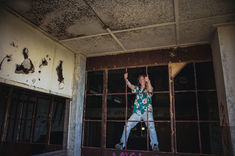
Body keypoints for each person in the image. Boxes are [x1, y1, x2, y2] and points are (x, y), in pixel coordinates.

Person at [115, 73, 160, 152]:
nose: (141, 80)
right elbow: (130, 86)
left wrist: (148, 81)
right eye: (140, 79)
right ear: (139, 81)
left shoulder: (148, 87)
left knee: (151, 126)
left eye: (143, 79)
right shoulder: (137, 89)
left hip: (147, 111)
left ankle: (155, 145)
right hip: (137, 112)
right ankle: (122, 144)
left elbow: (150, 90)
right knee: (128, 125)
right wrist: (126, 79)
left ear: (145, 80)